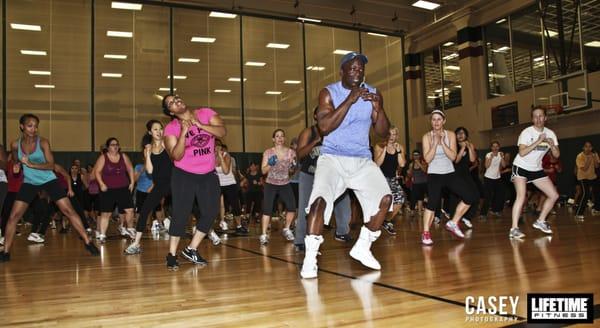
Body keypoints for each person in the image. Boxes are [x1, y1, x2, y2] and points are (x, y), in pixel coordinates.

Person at [300, 52, 392, 279]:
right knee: (319, 202)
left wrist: (378, 110)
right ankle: (310, 257)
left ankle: (362, 246)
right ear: (342, 71)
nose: (357, 72)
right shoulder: (329, 92)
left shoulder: (373, 92)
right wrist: (350, 99)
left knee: (385, 199)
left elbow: (382, 133)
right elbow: (324, 127)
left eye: (360, 69)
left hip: (362, 159)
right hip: (332, 158)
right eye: (352, 68)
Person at [1, 114, 99, 262]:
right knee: (13, 216)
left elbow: (51, 165)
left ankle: (87, 242)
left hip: (49, 180)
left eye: (35, 126)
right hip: (29, 182)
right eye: (30, 125)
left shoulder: (43, 143)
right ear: (22, 126)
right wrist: (16, 166)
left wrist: (32, 164)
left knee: (68, 210)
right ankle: (6, 252)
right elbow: (15, 159)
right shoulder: (15, 144)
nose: (33, 129)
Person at [162, 94, 226, 270]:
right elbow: (175, 156)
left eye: (176, 98)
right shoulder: (171, 128)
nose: (176, 101)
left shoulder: (205, 113)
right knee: (181, 214)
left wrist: (200, 125)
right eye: (171, 103)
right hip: (184, 175)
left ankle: (191, 249)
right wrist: (183, 132)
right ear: (170, 112)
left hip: (207, 173)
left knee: (211, 212)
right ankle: (172, 254)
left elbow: (221, 131)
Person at [294, 107, 353, 252]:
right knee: (304, 208)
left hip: (332, 175)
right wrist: (315, 142)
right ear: (315, 116)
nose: (324, 116)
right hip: (309, 174)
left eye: (327, 114)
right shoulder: (309, 132)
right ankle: (300, 240)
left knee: (344, 203)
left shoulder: (335, 131)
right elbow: (299, 155)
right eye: (320, 114)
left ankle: (342, 232)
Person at [420, 110, 478, 245]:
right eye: (433, 119)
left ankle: (453, 222)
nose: (436, 122)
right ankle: (426, 233)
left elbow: (453, 157)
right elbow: (428, 159)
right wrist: (434, 143)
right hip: (434, 174)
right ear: (431, 121)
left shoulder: (450, 135)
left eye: (439, 119)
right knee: (432, 204)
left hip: (449, 173)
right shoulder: (426, 137)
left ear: (444, 121)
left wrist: (442, 142)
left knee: (469, 196)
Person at [509, 106, 560, 239]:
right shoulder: (527, 132)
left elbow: (556, 155)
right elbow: (522, 152)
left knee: (554, 195)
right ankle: (514, 229)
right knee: (521, 196)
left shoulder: (551, 134)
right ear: (532, 119)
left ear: (545, 118)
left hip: (536, 169)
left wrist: (552, 145)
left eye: (541, 116)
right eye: (535, 116)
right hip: (521, 166)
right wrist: (538, 141)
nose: (538, 119)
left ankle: (540, 221)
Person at [93, 137, 135, 243]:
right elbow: (97, 172)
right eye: (112, 144)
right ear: (108, 147)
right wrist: (101, 184)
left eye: (116, 144)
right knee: (106, 213)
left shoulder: (124, 156)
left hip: (123, 188)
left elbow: (130, 168)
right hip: (108, 189)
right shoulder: (103, 158)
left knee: (129, 210)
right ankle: (102, 235)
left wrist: (132, 182)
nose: (115, 146)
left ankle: (130, 229)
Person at [259, 129, 297, 245]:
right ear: (273, 139)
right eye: (277, 136)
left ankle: (286, 228)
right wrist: (270, 164)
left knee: (292, 207)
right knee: (267, 209)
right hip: (271, 183)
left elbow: (291, 171)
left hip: (284, 183)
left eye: (282, 136)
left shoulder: (291, 152)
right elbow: (263, 171)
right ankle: (264, 235)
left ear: (284, 139)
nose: (280, 138)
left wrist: (293, 165)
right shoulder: (268, 152)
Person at [373, 126, 406, 235]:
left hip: (392, 179)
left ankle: (386, 221)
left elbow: (402, 164)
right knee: (383, 202)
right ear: (386, 135)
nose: (392, 137)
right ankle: (376, 221)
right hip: (380, 178)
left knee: (400, 198)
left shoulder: (400, 146)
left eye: (394, 134)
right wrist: (385, 149)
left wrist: (398, 151)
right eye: (390, 134)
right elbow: (377, 164)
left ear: (397, 136)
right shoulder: (379, 146)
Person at [450, 127, 478, 228]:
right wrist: (462, 148)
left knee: (475, 194)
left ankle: (467, 217)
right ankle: (454, 220)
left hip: (466, 174)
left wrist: (469, 147)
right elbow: (456, 161)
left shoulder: (470, 145)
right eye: (458, 133)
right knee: (456, 197)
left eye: (462, 133)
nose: (460, 135)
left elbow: (472, 160)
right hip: (455, 174)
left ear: (466, 135)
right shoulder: (453, 146)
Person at [574, 141, 600, 219]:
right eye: (586, 146)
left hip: (592, 176)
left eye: (590, 147)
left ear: (592, 148)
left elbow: (597, 166)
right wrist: (589, 159)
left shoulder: (594, 155)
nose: (588, 148)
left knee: (597, 192)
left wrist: (595, 158)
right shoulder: (580, 156)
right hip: (583, 177)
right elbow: (584, 169)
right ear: (583, 148)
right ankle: (578, 213)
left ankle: (596, 209)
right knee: (586, 194)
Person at [481, 141, 507, 218]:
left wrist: (502, 157)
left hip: (497, 178)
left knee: (499, 195)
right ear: (491, 148)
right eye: (493, 146)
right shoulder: (488, 155)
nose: (495, 148)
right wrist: (491, 158)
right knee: (488, 196)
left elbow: (504, 165)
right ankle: (483, 214)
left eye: (497, 146)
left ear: (499, 147)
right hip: (488, 178)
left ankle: (495, 210)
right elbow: (486, 166)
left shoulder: (500, 154)